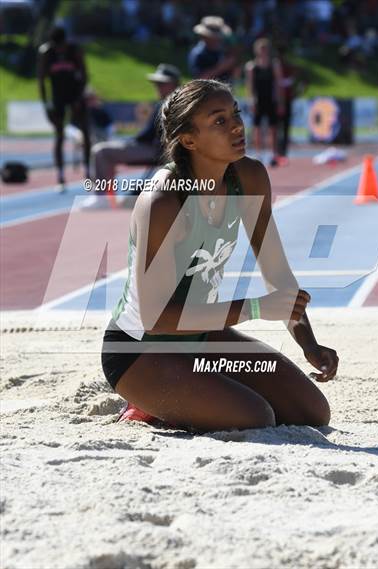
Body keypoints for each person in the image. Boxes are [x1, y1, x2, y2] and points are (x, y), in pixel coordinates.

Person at [101, 79, 338, 433]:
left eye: (235, 113)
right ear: (189, 139)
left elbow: (278, 275)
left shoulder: (250, 177)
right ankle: (147, 402)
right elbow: (155, 318)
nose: (237, 126)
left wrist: (309, 343)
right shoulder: (164, 201)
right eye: (219, 121)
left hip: (200, 338)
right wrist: (255, 308)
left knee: (312, 412)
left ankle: (191, 390)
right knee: (255, 417)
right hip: (140, 350)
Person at [80, 63, 180, 209]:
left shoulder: (170, 103)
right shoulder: (168, 102)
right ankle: (109, 197)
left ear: (173, 83)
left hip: (156, 150)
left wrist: (133, 141)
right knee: (106, 152)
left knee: (101, 152)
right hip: (154, 147)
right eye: (157, 83)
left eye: (162, 83)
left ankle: (102, 198)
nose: (158, 86)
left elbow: (153, 135)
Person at [38, 25, 90, 189]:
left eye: (62, 46)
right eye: (56, 46)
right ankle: (60, 175)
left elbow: (85, 75)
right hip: (58, 97)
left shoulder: (75, 50)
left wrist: (79, 97)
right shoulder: (46, 53)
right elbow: (41, 81)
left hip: (75, 94)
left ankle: (88, 170)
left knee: (85, 132)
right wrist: (46, 105)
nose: (60, 49)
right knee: (59, 135)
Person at [245, 38, 283, 167]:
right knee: (257, 128)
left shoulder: (274, 65)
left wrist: (280, 101)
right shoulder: (251, 67)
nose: (263, 52)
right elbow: (250, 86)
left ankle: (273, 154)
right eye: (261, 49)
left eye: (265, 49)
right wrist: (251, 101)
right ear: (256, 51)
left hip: (271, 100)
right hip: (258, 100)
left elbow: (278, 84)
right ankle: (258, 154)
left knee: (273, 128)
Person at [188, 16, 237, 83]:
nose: (217, 39)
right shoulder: (198, 53)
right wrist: (221, 67)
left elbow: (233, 76)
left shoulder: (223, 50)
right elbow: (199, 78)